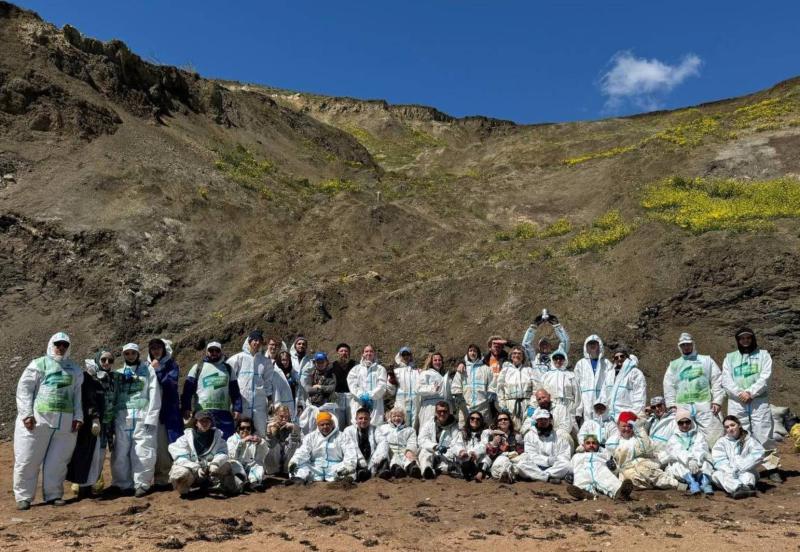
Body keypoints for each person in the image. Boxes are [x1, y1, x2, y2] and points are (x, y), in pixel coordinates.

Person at [14, 332, 84, 510]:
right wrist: (26, 414)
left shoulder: (74, 369)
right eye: (58, 344)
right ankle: (24, 496)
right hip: (38, 421)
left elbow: (77, 395)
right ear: (51, 344)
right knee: (28, 458)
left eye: (64, 345)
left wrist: (78, 416)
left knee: (58, 461)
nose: (61, 348)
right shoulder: (38, 364)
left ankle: (53, 494)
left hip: (65, 423)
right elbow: (24, 390)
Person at [721, 328, 780, 480]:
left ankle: (772, 467)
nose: (745, 341)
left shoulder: (763, 355)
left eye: (748, 338)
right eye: (742, 339)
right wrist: (740, 393)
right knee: (740, 434)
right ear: (738, 341)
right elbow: (726, 379)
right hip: (737, 401)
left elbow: (765, 377)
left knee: (764, 433)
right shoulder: (730, 358)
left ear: (753, 339)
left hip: (758, 401)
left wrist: (751, 393)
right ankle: (744, 468)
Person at [109, 343, 162, 498]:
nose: (130, 356)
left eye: (133, 353)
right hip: (122, 417)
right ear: (124, 355)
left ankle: (141, 484)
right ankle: (122, 483)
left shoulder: (148, 371)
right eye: (127, 354)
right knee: (121, 451)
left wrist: (151, 416)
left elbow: (154, 393)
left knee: (142, 450)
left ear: (138, 354)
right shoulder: (118, 373)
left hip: (142, 416)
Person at [67, 348, 115, 499]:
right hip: (90, 425)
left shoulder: (110, 379)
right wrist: (94, 417)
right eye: (103, 360)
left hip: (105, 424)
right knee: (87, 454)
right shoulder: (88, 377)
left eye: (110, 360)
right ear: (97, 360)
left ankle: (92, 485)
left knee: (99, 456)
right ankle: (83, 488)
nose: (106, 363)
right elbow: (88, 399)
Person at [663, 332, 723, 446]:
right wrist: (671, 405)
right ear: (679, 347)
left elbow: (717, 380)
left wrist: (717, 401)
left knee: (712, 434)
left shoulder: (706, 360)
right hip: (683, 406)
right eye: (683, 345)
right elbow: (668, 385)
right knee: (684, 434)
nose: (686, 347)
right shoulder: (674, 365)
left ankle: (715, 457)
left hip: (704, 403)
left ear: (693, 344)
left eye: (688, 344)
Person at [168, 410, 238, 497]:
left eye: (207, 421)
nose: (204, 423)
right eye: (201, 421)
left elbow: (222, 453)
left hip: (210, 470)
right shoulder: (185, 438)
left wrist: (215, 463)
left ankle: (224, 487)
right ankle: (188, 487)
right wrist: (196, 468)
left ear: (211, 423)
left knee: (226, 466)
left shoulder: (218, 437)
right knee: (180, 473)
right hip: (193, 470)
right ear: (196, 423)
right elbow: (180, 458)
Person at [181, 342, 242, 439]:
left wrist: (237, 408)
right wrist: (186, 407)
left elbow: (235, 390)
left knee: (227, 440)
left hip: (223, 413)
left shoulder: (228, 369)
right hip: (203, 412)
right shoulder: (198, 367)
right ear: (206, 352)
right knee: (204, 440)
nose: (214, 352)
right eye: (211, 350)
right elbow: (188, 390)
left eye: (217, 350)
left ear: (221, 352)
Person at [606, 411, 678, 490]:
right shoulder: (612, 442)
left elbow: (647, 450)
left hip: (646, 466)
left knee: (642, 468)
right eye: (624, 426)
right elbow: (613, 463)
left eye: (629, 426)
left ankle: (674, 483)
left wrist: (640, 430)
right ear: (618, 425)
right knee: (629, 478)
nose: (626, 429)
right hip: (627, 470)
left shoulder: (640, 438)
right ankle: (651, 486)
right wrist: (614, 469)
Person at [147, 338, 182, 490]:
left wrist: (158, 370)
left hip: (168, 411)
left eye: (158, 348)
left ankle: (165, 479)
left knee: (168, 445)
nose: (156, 350)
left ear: (163, 349)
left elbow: (170, 384)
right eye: (153, 348)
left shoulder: (171, 365)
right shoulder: (145, 366)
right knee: (152, 446)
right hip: (150, 412)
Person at [288, 411, 357, 483]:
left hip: (335, 467)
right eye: (322, 425)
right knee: (299, 466)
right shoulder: (311, 437)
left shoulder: (342, 436)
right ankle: (299, 479)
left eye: (327, 424)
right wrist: (294, 462)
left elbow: (350, 452)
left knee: (349, 470)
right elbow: (303, 451)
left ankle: (343, 479)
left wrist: (349, 466)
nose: (325, 427)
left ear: (332, 424)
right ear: (318, 425)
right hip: (315, 467)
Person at [228, 331, 273, 436]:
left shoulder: (265, 361)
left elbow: (268, 383)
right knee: (241, 431)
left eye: (260, 341)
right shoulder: (238, 358)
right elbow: (228, 378)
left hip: (259, 404)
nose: (257, 343)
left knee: (260, 431)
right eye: (255, 340)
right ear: (249, 341)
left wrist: (270, 400)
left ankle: (260, 452)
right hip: (243, 403)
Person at [711, 415, 765, 499]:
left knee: (748, 474)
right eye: (727, 427)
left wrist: (742, 466)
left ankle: (747, 487)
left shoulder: (749, 440)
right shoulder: (722, 442)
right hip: (728, 472)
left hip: (745, 469)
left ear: (739, 425)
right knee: (717, 475)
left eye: (732, 425)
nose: (730, 428)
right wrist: (729, 470)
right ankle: (738, 488)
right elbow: (718, 459)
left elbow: (758, 454)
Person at [567, 434, 633, 501]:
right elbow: (570, 467)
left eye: (594, 443)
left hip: (600, 469)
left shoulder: (605, 455)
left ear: (598, 445)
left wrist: (613, 468)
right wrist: (569, 475)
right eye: (588, 443)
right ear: (583, 445)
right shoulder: (577, 456)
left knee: (608, 478)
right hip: (583, 469)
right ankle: (584, 493)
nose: (591, 445)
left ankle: (620, 492)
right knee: (580, 478)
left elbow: (616, 470)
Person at [514, 409, 571, 484]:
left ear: (549, 420)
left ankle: (538, 476)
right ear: (536, 421)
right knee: (521, 465)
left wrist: (554, 461)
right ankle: (547, 478)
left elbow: (564, 454)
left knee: (566, 465)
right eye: (540, 419)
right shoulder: (529, 435)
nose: (543, 421)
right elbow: (531, 455)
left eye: (545, 419)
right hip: (535, 465)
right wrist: (547, 460)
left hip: (553, 467)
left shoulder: (559, 436)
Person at [664, 409, 714, 495]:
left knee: (706, 462)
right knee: (677, 464)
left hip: (698, 464)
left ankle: (705, 482)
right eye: (681, 423)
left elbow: (701, 448)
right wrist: (689, 460)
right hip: (685, 465)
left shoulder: (698, 435)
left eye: (687, 422)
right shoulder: (673, 438)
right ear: (677, 423)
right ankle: (692, 482)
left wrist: (695, 460)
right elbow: (677, 451)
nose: (685, 425)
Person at [521, 310, 570, 386]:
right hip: (538, 390)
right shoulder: (534, 358)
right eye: (542, 345)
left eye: (546, 344)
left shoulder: (556, 357)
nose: (544, 346)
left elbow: (565, 342)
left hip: (553, 388)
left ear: (550, 346)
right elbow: (526, 344)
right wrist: (533, 326)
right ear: (539, 347)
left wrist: (557, 325)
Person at [451, 344, 495, 425]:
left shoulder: (485, 368)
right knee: (464, 429)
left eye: (475, 351)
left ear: (478, 353)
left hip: (483, 406)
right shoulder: (462, 369)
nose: (472, 353)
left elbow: (492, 384)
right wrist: (459, 398)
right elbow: (456, 385)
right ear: (467, 353)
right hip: (466, 406)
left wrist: (490, 394)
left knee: (484, 427)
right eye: (470, 351)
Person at [374, 407, 422, 479]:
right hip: (390, 452)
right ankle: (396, 469)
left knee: (409, 459)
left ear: (403, 417)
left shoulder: (410, 430)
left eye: (399, 416)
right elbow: (381, 441)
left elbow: (412, 442)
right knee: (394, 460)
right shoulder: (383, 428)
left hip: (404, 451)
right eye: (394, 416)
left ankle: (412, 469)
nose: (397, 418)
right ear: (390, 417)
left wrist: (409, 450)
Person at [538, 347, 579, 430]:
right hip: (553, 406)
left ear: (565, 360)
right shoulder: (546, 376)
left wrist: (577, 410)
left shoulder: (571, 375)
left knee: (572, 430)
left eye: (561, 358)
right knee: (553, 428)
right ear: (552, 360)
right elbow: (540, 393)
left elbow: (577, 394)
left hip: (569, 407)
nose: (558, 361)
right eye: (556, 358)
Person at [574, 335, 612, 422]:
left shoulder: (606, 363)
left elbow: (610, 384)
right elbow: (577, 388)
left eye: (595, 343)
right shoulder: (581, 364)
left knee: (604, 423)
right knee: (589, 426)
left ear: (599, 345)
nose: (592, 345)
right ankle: (590, 436)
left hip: (603, 400)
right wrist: (579, 410)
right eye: (590, 343)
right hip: (586, 400)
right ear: (586, 347)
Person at [347, 345, 388, 426]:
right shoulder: (355, 369)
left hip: (376, 402)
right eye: (366, 351)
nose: (368, 353)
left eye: (371, 351)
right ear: (362, 354)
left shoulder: (380, 369)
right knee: (358, 424)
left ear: (374, 354)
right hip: (359, 401)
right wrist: (361, 395)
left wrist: (370, 395)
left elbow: (382, 385)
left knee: (375, 424)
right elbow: (352, 384)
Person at [418, 401, 460, 479]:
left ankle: (439, 469)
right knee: (424, 452)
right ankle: (427, 471)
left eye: (445, 411)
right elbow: (421, 439)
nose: (442, 414)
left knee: (448, 464)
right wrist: (435, 446)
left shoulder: (455, 426)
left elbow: (456, 443)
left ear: (449, 412)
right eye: (439, 411)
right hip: (433, 451)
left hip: (446, 454)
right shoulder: (429, 423)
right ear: (435, 412)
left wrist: (446, 451)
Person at [496, 346, 533, 427]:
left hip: (527, 404)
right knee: (513, 429)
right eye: (514, 353)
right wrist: (502, 405)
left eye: (519, 353)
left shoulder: (529, 370)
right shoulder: (505, 371)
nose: (517, 355)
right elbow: (499, 389)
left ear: (523, 356)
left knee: (527, 428)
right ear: (511, 356)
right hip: (510, 405)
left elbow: (536, 389)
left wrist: (533, 405)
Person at [227, 417, 268, 491]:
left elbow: (264, 454)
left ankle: (254, 483)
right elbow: (232, 456)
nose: (245, 430)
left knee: (258, 464)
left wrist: (260, 442)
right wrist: (242, 441)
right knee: (233, 463)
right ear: (238, 429)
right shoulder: (231, 439)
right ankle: (241, 483)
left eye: (248, 428)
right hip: (237, 467)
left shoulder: (253, 439)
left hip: (248, 467)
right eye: (242, 428)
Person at [604, 349, 646, 420]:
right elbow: (604, 394)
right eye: (616, 358)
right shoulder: (609, 375)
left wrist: (635, 415)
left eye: (622, 356)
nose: (619, 359)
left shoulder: (635, 373)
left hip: (627, 417)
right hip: (610, 418)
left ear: (627, 358)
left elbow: (639, 396)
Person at [485, 411, 526, 482]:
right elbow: (489, 455)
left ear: (509, 422)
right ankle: (507, 475)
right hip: (499, 461)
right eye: (500, 420)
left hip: (514, 460)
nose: (503, 421)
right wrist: (494, 445)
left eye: (505, 419)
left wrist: (514, 453)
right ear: (497, 423)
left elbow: (521, 451)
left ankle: (511, 475)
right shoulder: (492, 436)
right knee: (503, 460)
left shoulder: (517, 435)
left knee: (525, 457)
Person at [343, 407, 381, 482]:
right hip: (356, 460)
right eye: (360, 418)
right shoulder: (348, 430)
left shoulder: (375, 429)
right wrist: (358, 462)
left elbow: (383, 443)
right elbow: (350, 449)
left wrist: (377, 457)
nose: (363, 421)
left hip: (371, 461)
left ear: (370, 419)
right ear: (356, 419)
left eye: (366, 419)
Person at [264, 405, 302, 477]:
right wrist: (269, 429)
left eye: (286, 417)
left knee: (294, 441)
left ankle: (287, 469)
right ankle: (273, 470)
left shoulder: (292, 425)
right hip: (275, 459)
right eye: (281, 416)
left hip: (286, 458)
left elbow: (298, 443)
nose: (284, 419)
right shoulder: (270, 425)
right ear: (276, 415)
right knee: (272, 445)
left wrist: (294, 428)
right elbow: (269, 445)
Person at [390, 347, 423, 429]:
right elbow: (391, 391)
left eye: (407, 354)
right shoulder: (396, 371)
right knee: (401, 423)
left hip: (415, 403)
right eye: (403, 354)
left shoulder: (417, 372)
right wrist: (392, 382)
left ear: (410, 356)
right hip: (401, 402)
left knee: (415, 424)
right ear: (400, 356)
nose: (405, 356)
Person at [451, 410, 489, 481]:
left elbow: (484, 445)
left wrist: (474, 453)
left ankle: (480, 472)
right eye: (472, 418)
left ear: (481, 421)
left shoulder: (485, 432)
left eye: (478, 419)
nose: (475, 420)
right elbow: (457, 444)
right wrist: (461, 451)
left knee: (486, 456)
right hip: (464, 459)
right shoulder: (462, 432)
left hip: (477, 459)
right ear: (469, 420)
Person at [417, 352, 445, 431]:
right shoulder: (426, 373)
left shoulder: (444, 376)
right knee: (427, 429)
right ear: (431, 362)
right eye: (435, 360)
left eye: (439, 360)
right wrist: (432, 389)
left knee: (440, 429)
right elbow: (418, 388)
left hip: (442, 406)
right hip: (429, 406)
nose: (437, 362)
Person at [331, 343, 357, 427]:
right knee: (339, 421)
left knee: (352, 420)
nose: (343, 353)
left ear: (349, 353)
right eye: (341, 351)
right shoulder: (332, 365)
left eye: (346, 351)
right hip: (337, 395)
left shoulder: (355, 364)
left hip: (352, 395)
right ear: (337, 353)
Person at [644, 396, 676, 464]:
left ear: (664, 405)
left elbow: (675, 445)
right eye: (653, 407)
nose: (657, 409)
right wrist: (645, 415)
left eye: (659, 405)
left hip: (665, 458)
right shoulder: (651, 420)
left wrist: (660, 458)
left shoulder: (674, 420)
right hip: (651, 456)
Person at [273, 350, 301, 421]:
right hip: (282, 405)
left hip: (294, 403)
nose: (285, 362)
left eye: (287, 360)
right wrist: (278, 407)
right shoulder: (276, 373)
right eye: (283, 360)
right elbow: (276, 393)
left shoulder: (293, 372)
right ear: (279, 360)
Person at [290, 336, 312, 406]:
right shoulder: (290, 359)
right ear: (295, 346)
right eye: (299, 344)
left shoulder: (311, 361)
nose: (301, 345)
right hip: (292, 394)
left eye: (303, 344)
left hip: (306, 395)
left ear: (306, 346)